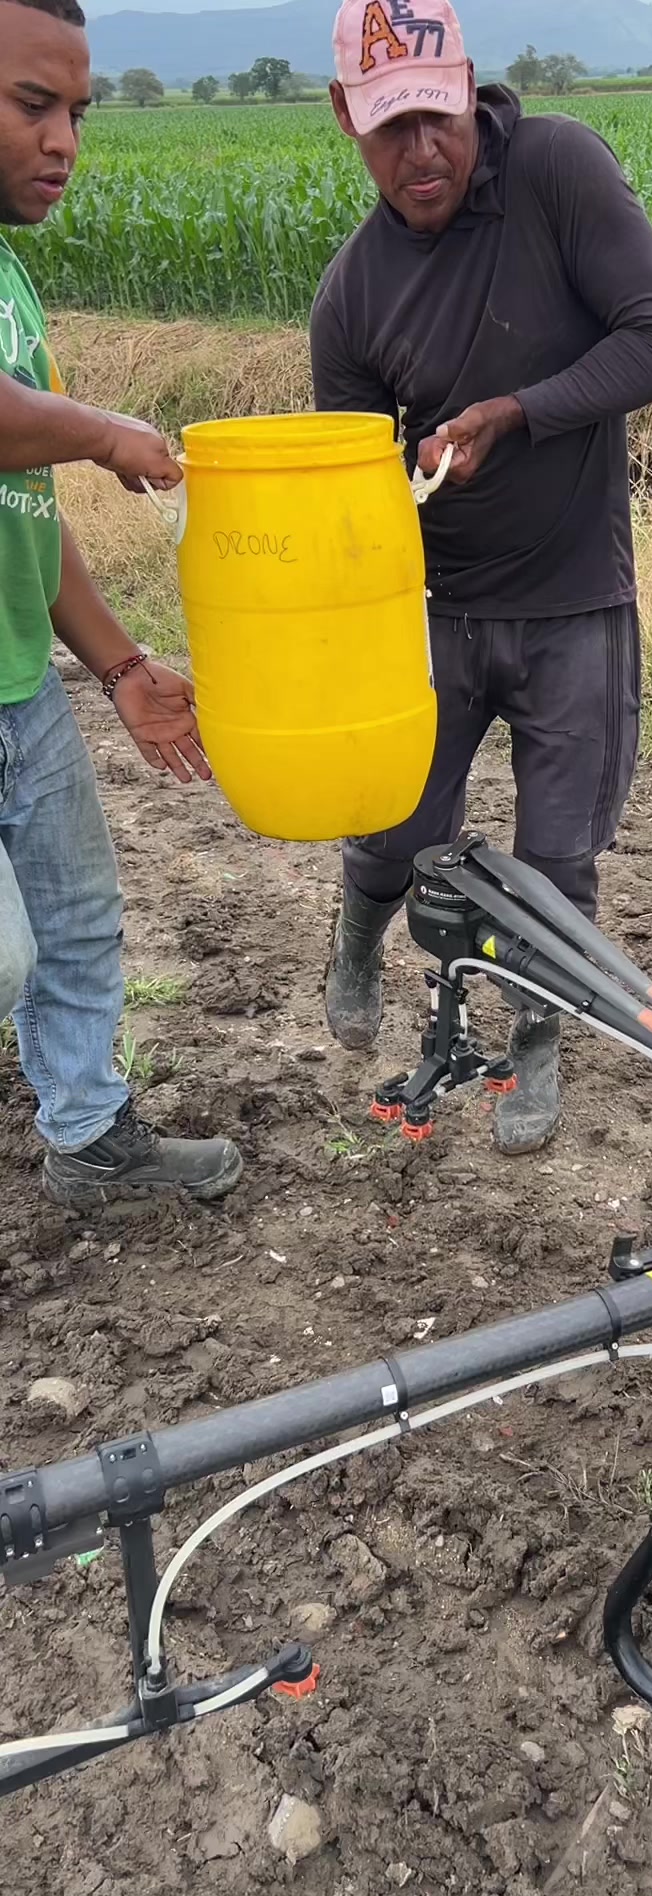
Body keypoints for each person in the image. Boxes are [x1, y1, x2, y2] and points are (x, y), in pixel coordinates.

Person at [312, 0, 652, 1157]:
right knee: (395, 829)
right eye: (391, 127)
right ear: (344, 119)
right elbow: (356, 491)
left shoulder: (558, 171)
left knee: (557, 860)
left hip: (574, 597)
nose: (423, 150)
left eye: (438, 115)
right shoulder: (353, 295)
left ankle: (538, 1036)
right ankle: (356, 939)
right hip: (435, 609)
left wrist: (514, 414)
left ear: (471, 84)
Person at [0, 0, 242, 1207]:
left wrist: (119, 666)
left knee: (78, 921)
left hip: (20, 688)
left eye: (77, 113)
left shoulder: (10, 280)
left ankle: (90, 1138)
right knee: (7, 955)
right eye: (30, 104)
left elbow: (26, 508)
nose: (63, 142)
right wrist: (102, 431)